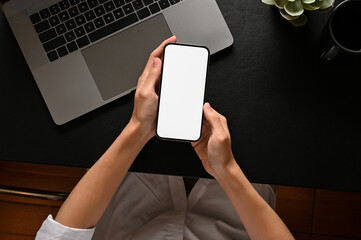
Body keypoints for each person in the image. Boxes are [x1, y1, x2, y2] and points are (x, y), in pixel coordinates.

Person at [36, 36, 294, 240]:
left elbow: (61, 233)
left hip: (128, 188)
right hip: (240, 204)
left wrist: (138, 128)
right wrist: (226, 171)